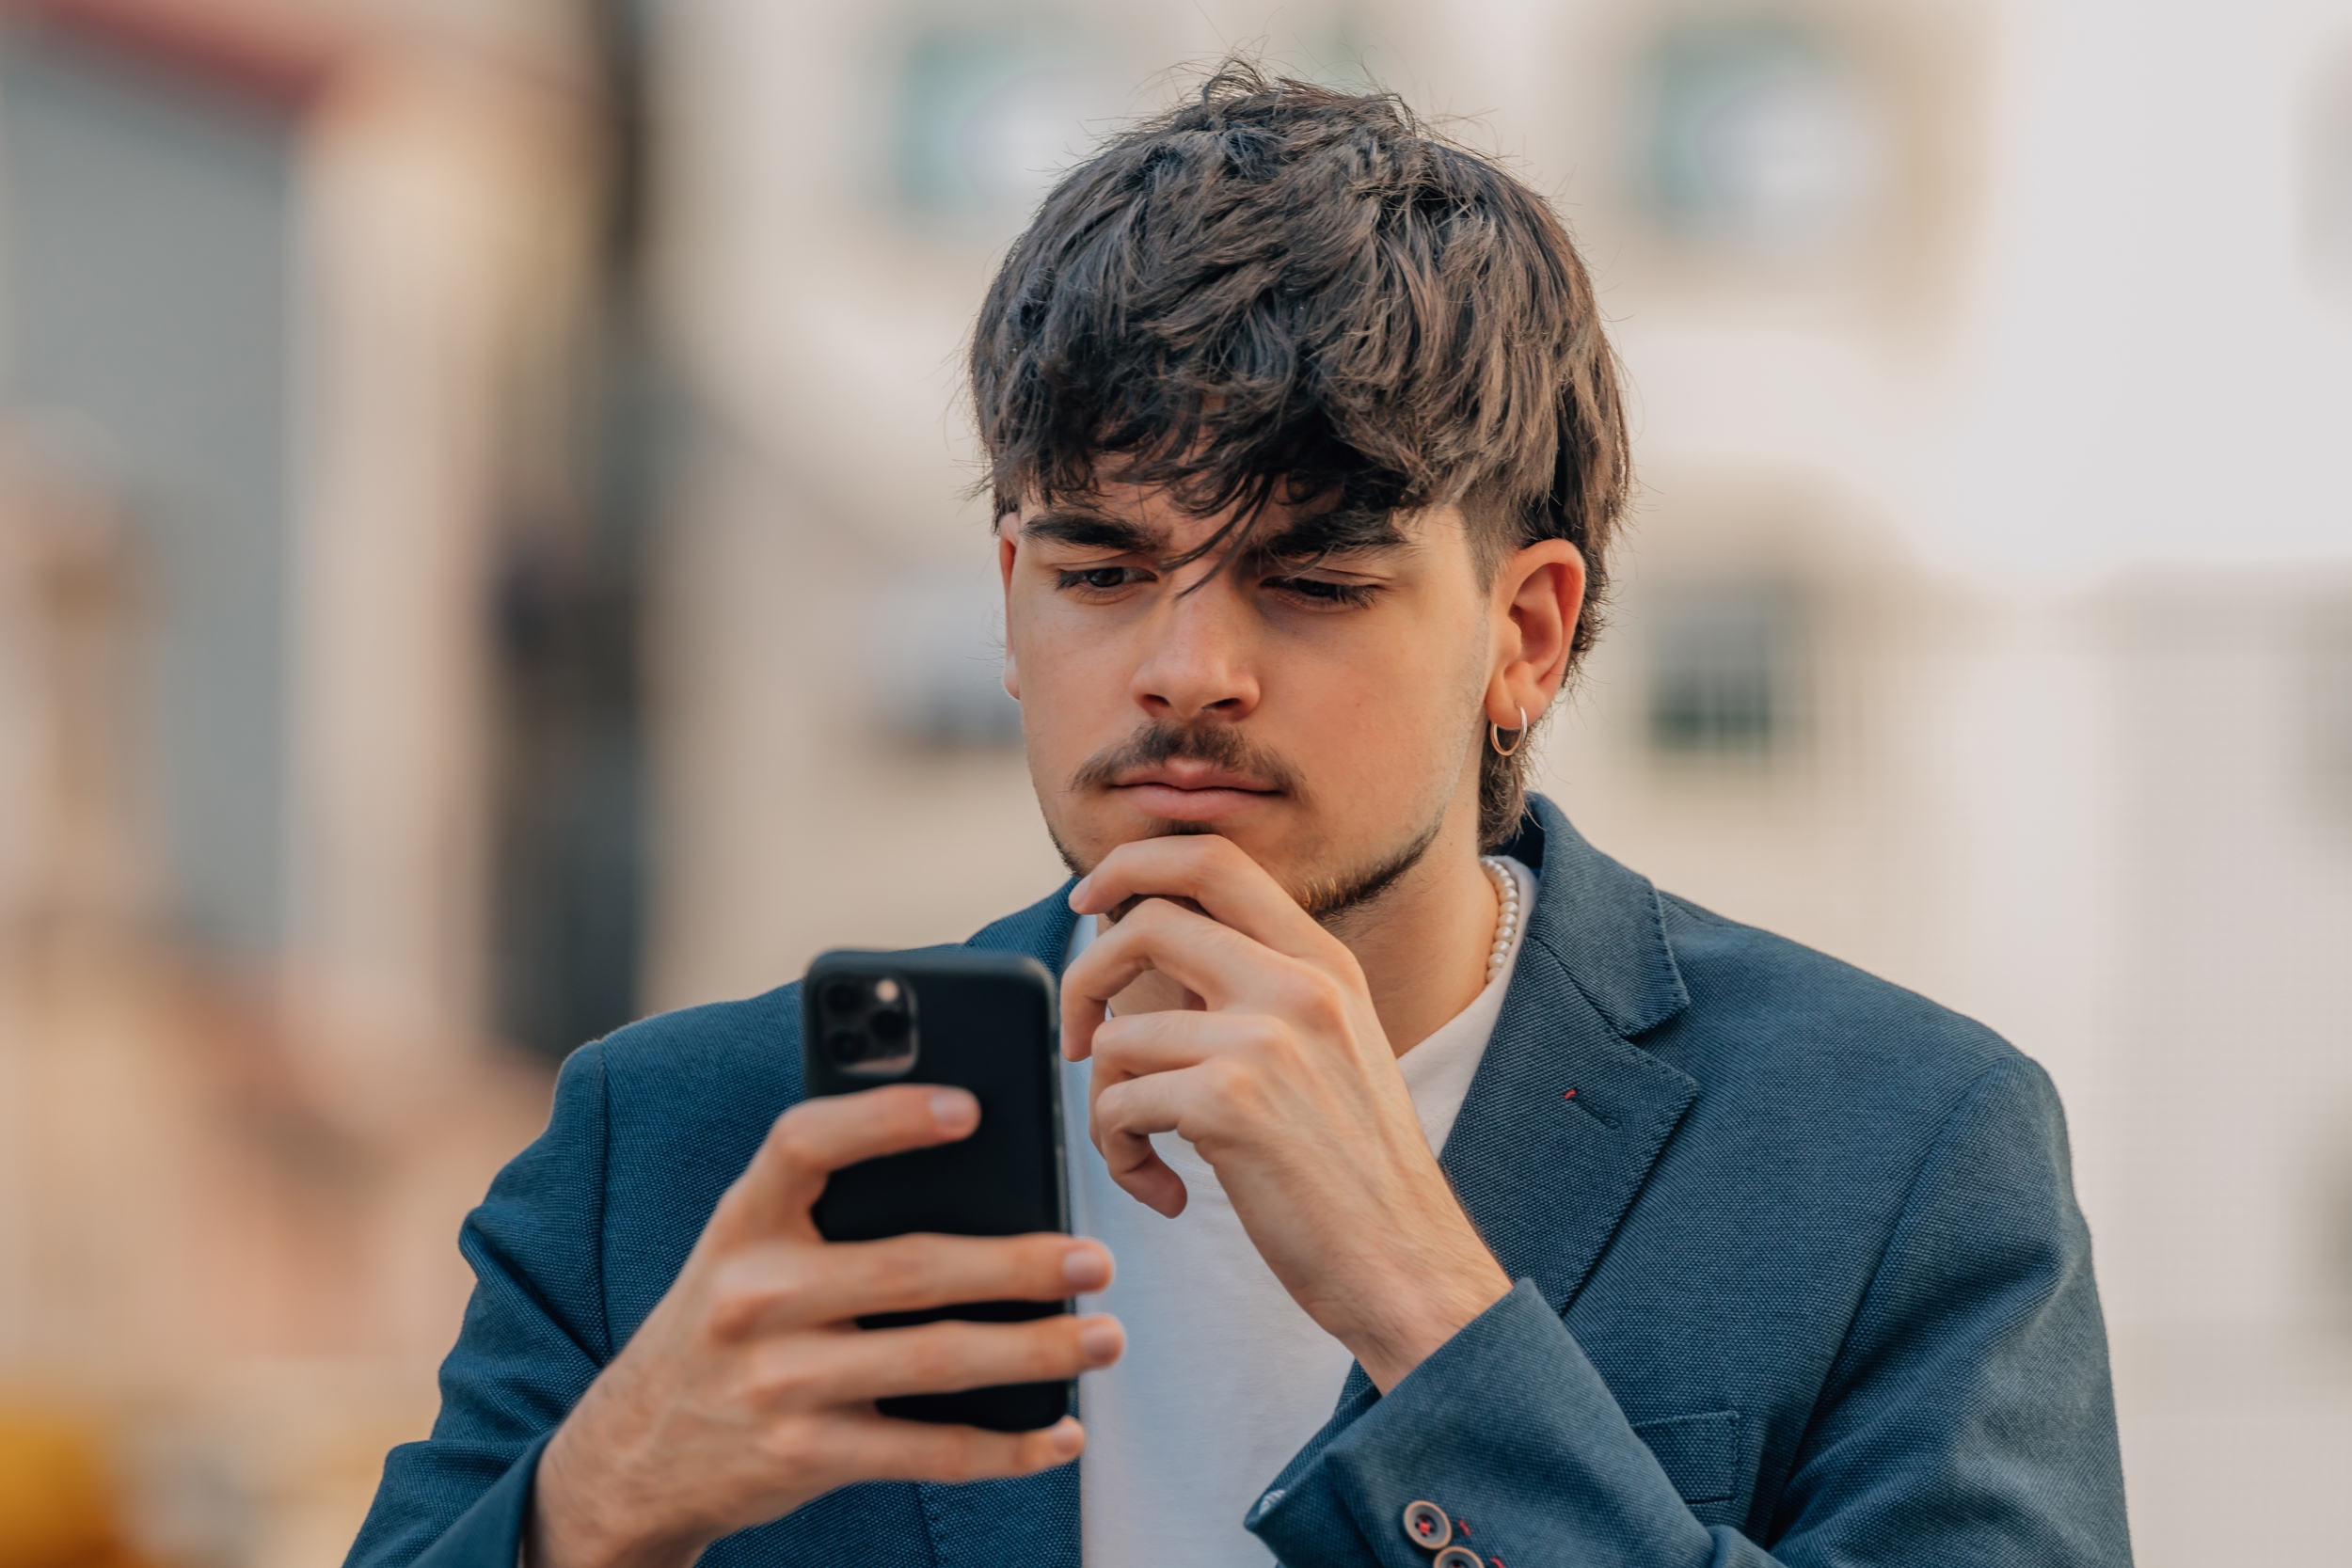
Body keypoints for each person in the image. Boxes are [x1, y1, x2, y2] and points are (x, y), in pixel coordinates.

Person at [347, 64, 2131, 1568]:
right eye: (1104, 567)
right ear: (1007, 598)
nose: (1186, 665)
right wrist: (584, 1512)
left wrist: (1435, 1317)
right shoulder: (674, 1154)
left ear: (1526, 635)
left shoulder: (1897, 1156)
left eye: (1309, 579)